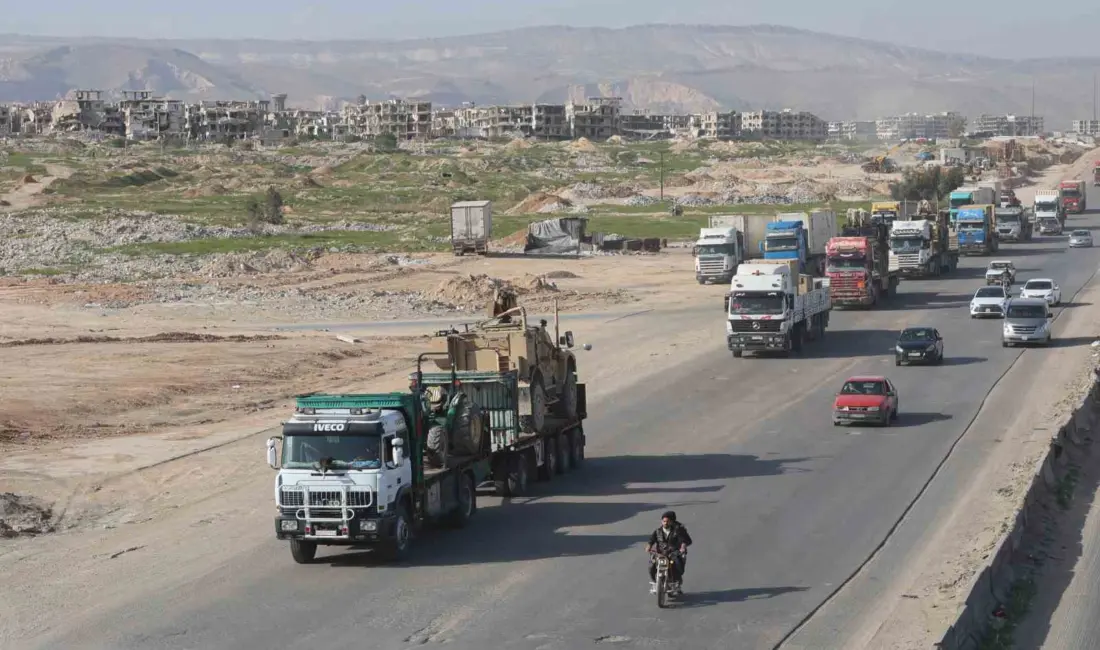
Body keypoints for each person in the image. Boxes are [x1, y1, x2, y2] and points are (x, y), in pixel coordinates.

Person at [645, 510, 692, 595]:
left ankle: (676, 581)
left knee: (677, 565)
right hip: (660, 554)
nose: (665, 523)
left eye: (667, 521)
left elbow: (684, 540)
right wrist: (649, 547)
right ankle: (656, 582)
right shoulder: (657, 531)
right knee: (651, 565)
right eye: (664, 521)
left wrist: (682, 547)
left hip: (673, 553)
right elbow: (651, 540)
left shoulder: (678, 530)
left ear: (672, 522)